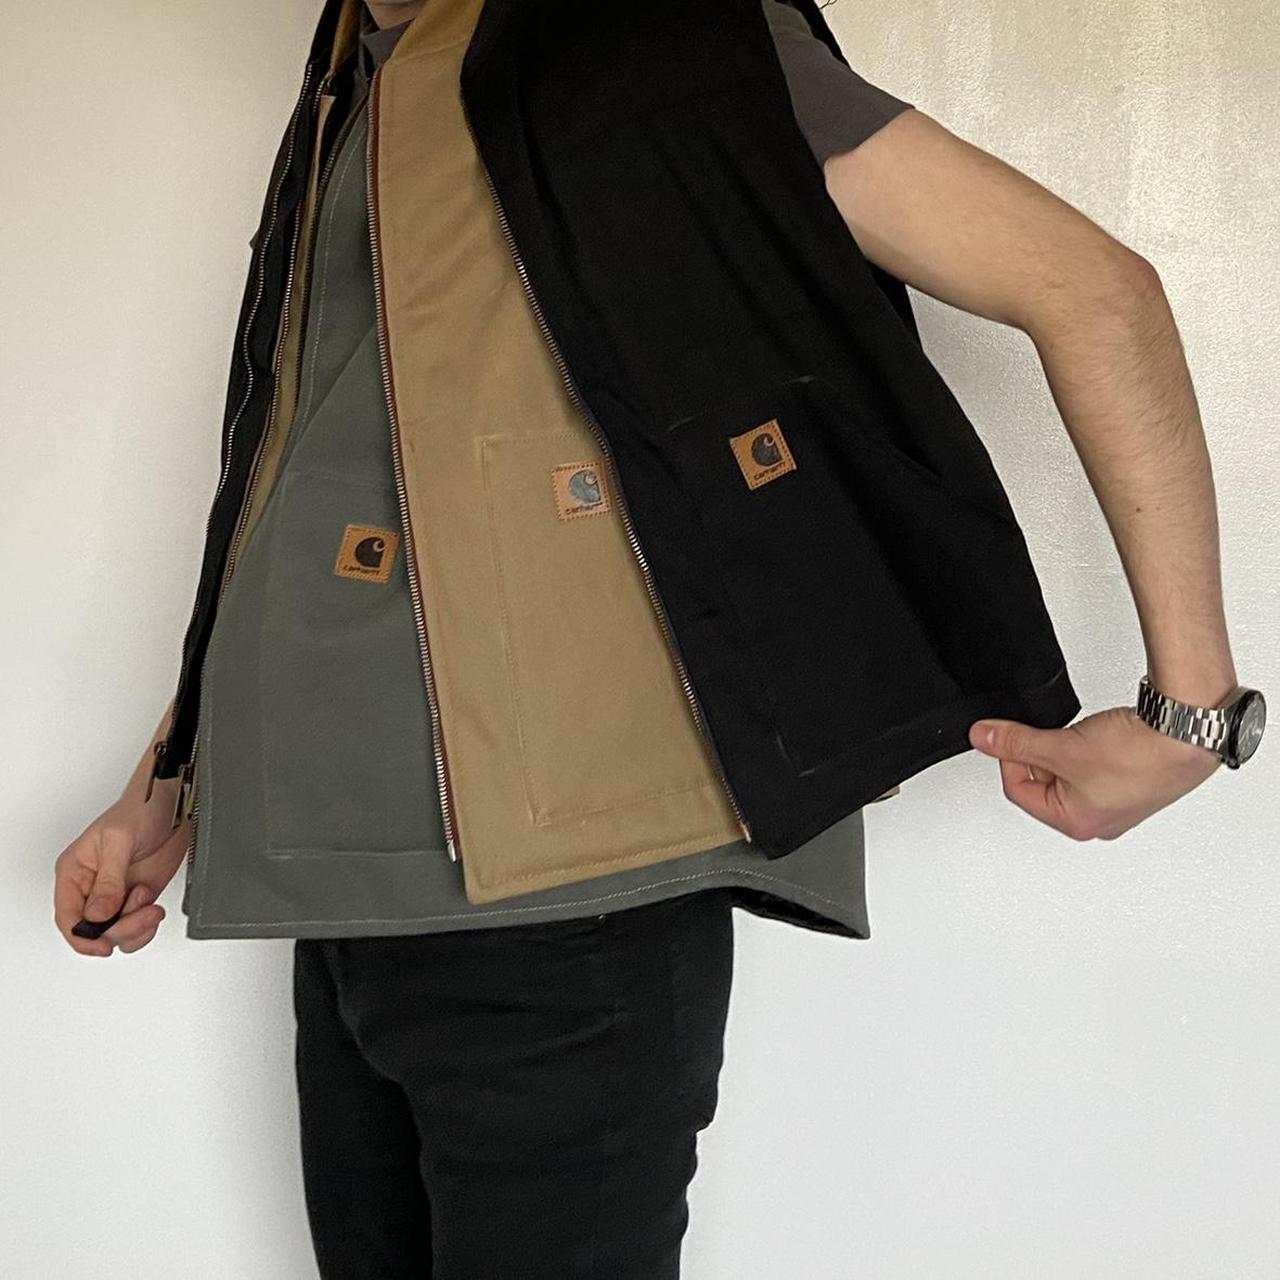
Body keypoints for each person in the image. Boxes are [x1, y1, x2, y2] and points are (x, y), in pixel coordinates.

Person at [53, 0, 1263, 1275]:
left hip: (570, 900)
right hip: (338, 888)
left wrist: (1191, 710)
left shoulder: (651, 35)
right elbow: (298, 468)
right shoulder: (352, 81)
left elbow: (1091, 288)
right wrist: (170, 778)